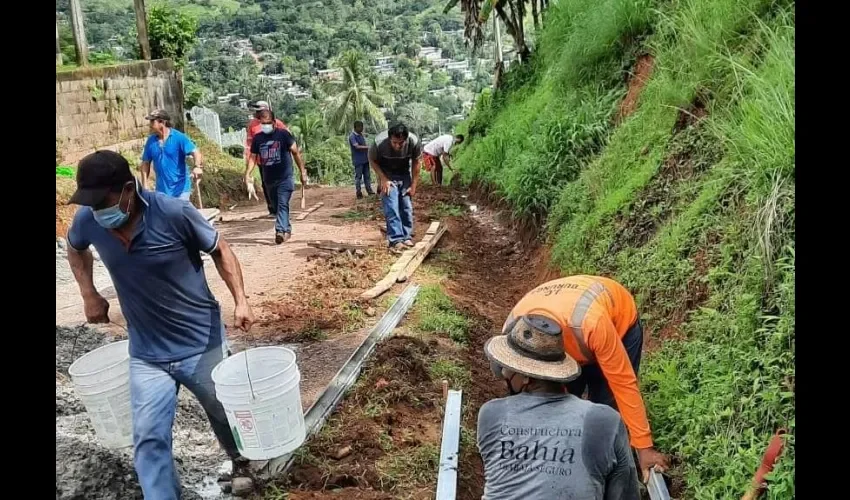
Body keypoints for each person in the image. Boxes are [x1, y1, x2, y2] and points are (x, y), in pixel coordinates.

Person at [65, 150, 256, 499]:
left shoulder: (174, 212)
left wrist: (240, 300)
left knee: (221, 411)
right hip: (146, 353)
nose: (96, 210)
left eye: (101, 200)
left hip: (201, 341)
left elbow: (220, 249)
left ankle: (241, 461)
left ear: (127, 189)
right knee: (149, 437)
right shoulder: (89, 220)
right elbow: (75, 248)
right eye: (89, 202)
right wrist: (88, 293)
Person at [504, 276, 670, 482]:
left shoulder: (593, 325)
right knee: (556, 400)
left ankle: (600, 468)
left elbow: (623, 384)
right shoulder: (516, 333)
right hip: (572, 329)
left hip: (616, 324)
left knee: (603, 408)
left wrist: (644, 447)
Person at [479, 313, 640, 499]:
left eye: (508, 368)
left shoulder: (491, 414)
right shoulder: (605, 420)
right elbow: (625, 493)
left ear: (525, 377)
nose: (504, 374)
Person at [245, 109, 308, 245]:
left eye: (268, 123)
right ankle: (287, 229)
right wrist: (247, 173)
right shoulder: (258, 139)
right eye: (263, 123)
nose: (265, 126)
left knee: (282, 204)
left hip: (285, 177)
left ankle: (279, 231)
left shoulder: (284, 135)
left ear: (274, 122)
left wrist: (302, 171)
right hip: (268, 179)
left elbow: (295, 152)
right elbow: (253, 157)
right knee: (275, 205)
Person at [368, 123, 422, 253]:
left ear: (406, 140)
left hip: (404, 174)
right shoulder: (378, 143)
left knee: (406, 206)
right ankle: (396, 240)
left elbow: (417, 162)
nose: (398, 146)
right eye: (394, 143)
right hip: (386, 173)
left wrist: (413, 185)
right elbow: (372, 160)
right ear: (389, 139)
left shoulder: (414, 141)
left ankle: (406, 236)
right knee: (391, 206)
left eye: (401, 143)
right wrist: (383, 179)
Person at [139, 109, 204, 201]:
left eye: (152, 121)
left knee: (178, 214)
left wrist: (197, 167)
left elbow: (196, 152)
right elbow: (145, 163)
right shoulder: (151, 141)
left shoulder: (179, 138)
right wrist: (144, 184)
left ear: (162, 122)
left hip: (181, 190)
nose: (150, 125)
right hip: (161, 191)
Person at [245, 101, 287, 215]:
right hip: (262, 161)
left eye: (260, 110)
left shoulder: (277, 123)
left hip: (277, 160)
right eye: (256, 111)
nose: (257, 113)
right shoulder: (252, 125)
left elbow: (287, 137)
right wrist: (248, 162)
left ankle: (281, 207)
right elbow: (249, 144)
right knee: (267, 184)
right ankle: (272, 208)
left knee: (280, 183)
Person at [349, 120, 374, 199]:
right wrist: (368, 147)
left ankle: (369, 191)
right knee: (358, 177)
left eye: (362, 127)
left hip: (365, 159)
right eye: (360, 127)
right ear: (355, 127)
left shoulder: (360, 135)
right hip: (358, 160)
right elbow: (357, 146)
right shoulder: (352, 136)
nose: (362, 129)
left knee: (367, 176)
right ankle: (358, 192)